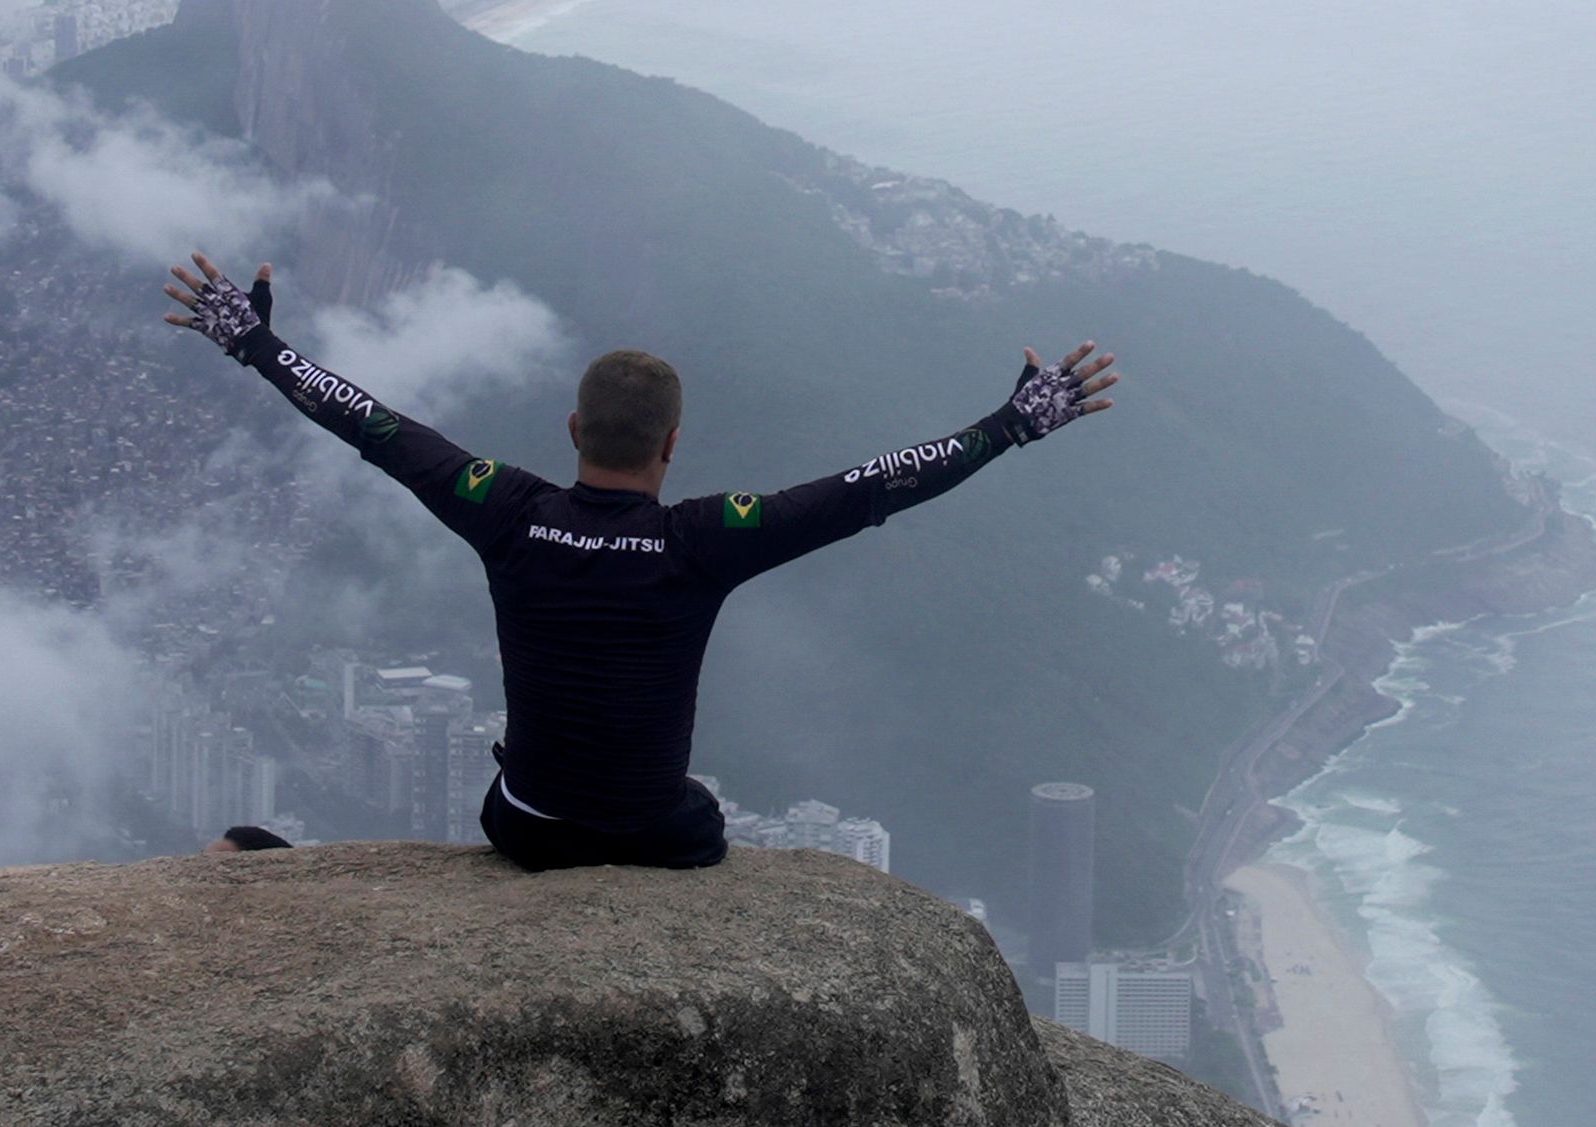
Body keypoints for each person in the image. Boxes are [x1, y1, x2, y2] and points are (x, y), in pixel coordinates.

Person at [162, 252, 1115, 872]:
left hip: (527, 829)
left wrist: (254, 342)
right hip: (660, 836)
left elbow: (370, 423)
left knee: (520, 789)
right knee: (699, 810)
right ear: (672, 445)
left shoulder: (506, 510)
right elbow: (874, 486)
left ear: (573, 428)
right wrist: (1012, 425)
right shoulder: (702, 538)